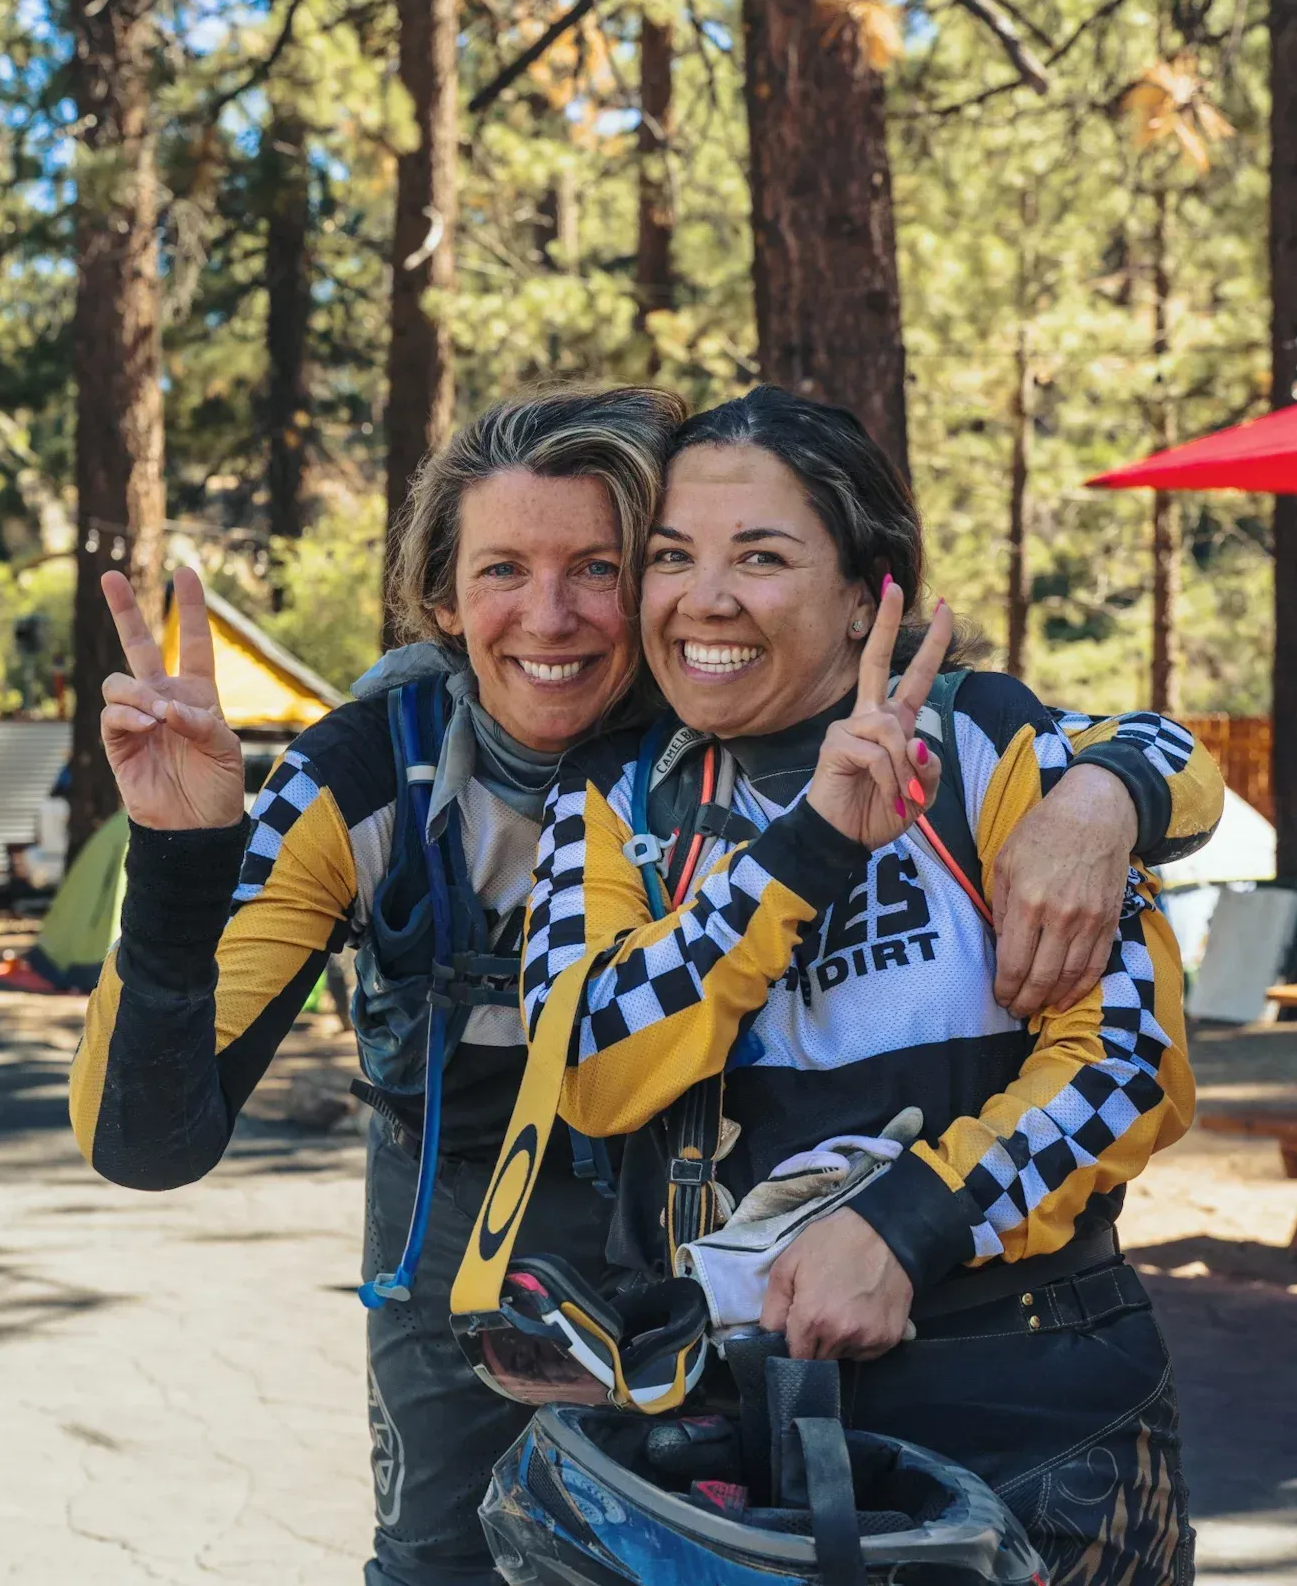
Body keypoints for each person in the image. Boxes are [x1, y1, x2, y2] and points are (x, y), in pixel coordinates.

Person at [70, 382, 1215, 1586]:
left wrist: (1110, 794)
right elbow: (149, 1138)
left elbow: (1125, 999)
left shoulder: (948, 742)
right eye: (503, 570)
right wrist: (181, 854)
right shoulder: (418, 778)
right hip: (498, 1261)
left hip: (847, 1329)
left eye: (604, 567)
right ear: (441, 603)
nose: (552, 620)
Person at [521, 386, 1220, 1586]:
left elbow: (1124, 1065)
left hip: (1037, 1416)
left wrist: (906, 1225)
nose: (706, 597)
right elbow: (585, 1065)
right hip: (731, 1440)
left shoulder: (993, 749)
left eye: (763, 556)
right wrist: (809, 853)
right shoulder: (615, 802)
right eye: (674, 556)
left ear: (867, 597)